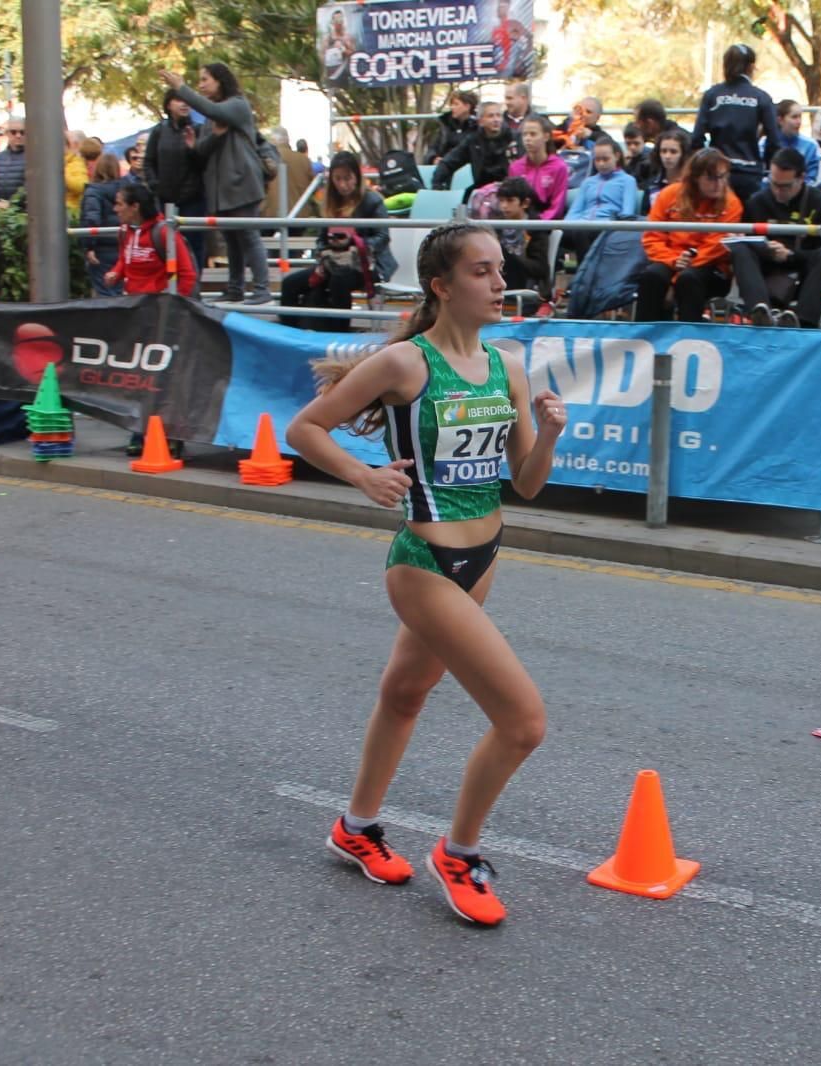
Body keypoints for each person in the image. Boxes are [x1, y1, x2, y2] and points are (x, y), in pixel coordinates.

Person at [285, 222, 567, 927]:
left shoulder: (508, 366)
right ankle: (461, 853)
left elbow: (526, 485)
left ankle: (355, 827)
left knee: (406, 694)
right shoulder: (407, 364)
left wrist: (552, 433)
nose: (500, 283)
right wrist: (361, 473)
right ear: (441, 286)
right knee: (523, 722)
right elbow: (305, 429)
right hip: (423, 563)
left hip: (485, 557)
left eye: (501, 269)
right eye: (481, 271)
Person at [163, 62, 274, 304]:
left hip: (241, 183)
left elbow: (213, 111)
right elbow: (203, 150)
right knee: (232, 239)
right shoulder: (212, 118)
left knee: (248, 235)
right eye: (199, 81)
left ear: (220, 80)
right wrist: (206, 140)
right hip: (221, 189)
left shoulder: (237, 106)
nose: (201, 85)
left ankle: (262, 288)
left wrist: (181, 89)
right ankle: (235, 287)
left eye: (205, 80)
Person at [105, 183, 199, 459]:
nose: (115, 208)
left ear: (135, 207)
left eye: (120, 203)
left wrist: (174, 309)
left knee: (165, 378)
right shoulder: (125, 233)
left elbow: (187, 274)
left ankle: (172, 435)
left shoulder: (163, 233)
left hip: (161, 316)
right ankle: (139, 431)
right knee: (139, 378)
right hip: (136, 314)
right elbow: (125, 260)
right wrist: (115, 273)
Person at [280, 151, 394, 330]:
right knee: (290, 284)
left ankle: (341, 332)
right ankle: (288, 334)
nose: (343, 185)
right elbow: (321, 239)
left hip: (367, 264)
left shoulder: (372, 201)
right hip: (333, 262)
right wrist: (324, 256)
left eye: (347, 178)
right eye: (338, 179)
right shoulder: (330, 202)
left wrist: (356, 243)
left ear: (357, 176)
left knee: (338, 281)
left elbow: (383, 237)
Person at [636, 148, 741, 322]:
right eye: (711, 178)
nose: (719, 184)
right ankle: (644, 337)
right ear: (695, 178)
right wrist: (673, 261)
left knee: (688, 279)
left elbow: (716, 245)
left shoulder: (732, 203)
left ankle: (689, 339)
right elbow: (652, 237)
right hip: (671, 260)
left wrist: (674, 281)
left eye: (723, 177)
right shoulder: (669, 194)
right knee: (651, 276)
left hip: (711, 267)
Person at [732, 148, 821, 329]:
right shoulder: (757, 201)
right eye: (773, 184)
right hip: (766, 264)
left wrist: (791, 255)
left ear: (801, 178)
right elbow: (747, 239)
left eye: (785, 186)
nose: (778, 191)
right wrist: (764, 249)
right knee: (740, 248)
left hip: (802, 264)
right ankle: (759, 313)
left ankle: (804, 322)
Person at [691, 44, 780, 202]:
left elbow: (697, 137)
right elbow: (774, 140)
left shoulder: (712, 95)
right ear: (751, 67)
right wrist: (765, 165)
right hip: (750, 173)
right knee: (746, 223)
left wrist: (704, 166)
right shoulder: (761, 98)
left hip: (716, 173)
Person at [143, 89, 208, 270]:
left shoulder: (197, 129)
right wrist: (155, 185)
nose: (184, 104)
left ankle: (193, 288)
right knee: (165, 245)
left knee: (193, 246)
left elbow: (204, 164)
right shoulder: (159, 131)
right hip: (165, 199)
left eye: (187, 100)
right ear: (169, 104)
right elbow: (148, 162)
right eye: (179, 100)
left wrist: (193, 149)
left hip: (193, 199)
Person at [562, 139, 639, 263]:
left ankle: (583, 274)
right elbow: (575, 210)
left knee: (581, 232)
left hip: (607, 227)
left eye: (605, 159)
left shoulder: (628, 181)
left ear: (617, 156)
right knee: (554, 233)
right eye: (597, 160)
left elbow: (627, 213)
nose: (601, 164)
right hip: (582, 225)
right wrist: (563, 227)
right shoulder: (588, 182)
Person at [433, 102, 517, 193]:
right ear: (480, 121)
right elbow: (448, 162)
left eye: (498, 116)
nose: (496, 120)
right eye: (490, 116)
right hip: (481, 190)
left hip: (509, 190)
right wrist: (437, 185)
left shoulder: (514, 138)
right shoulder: (472, 141)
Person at [494, 176, 552, 301]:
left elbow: (540, 268)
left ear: (525, 203)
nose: (503, 206)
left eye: (509, 200)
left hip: (527, 284)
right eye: (501, 200)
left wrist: (511, 258)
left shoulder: (536, 228)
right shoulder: (496, 225)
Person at [80, 153, 129, 297]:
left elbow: (91, 219)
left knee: (106, 293)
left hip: (101, 249)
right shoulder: (127, 190)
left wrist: (89, 246)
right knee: (120, 291)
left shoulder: (93, 192)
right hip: (124, 245)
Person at [509, 115, 569, 220]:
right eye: (524, 135)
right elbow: (512, 202)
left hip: (545, 225)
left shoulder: (559, 167)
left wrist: (538, 222)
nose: (527, 139)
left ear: (546, 137)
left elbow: (557, 206)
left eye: (533, 134)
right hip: (519, 223)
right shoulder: (515, 167)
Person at [263, 126, 317, 218]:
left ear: (272, 141)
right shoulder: (304, 160)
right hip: (299, 216)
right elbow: (314, 188)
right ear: (288, 140)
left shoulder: (265, 160)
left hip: (270, 217)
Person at [641, 128, 691, 215]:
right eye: (663, 151)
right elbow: (645, 215)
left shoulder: (692, 184)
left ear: (683, 154)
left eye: (673, 152)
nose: (667, 156)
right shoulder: (652, 185)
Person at [770, 100, 821, 184]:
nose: (799, 122)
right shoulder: (765, 143)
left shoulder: (811, 145)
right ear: (780, 120)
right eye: (794, 117)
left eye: (800, 117)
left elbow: (811, 179)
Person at [429, 90, 480, 164]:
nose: (452, 107)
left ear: (467, 106)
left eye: (456, 104)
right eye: (452, 104)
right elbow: (433, 147)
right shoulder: (444, 123)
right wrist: (433, 159)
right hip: (445, 165)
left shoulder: (478, 125)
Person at [0, 115, 27, 208]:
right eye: (13, 132)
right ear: (7, 134)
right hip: (0, 211)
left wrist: (12, 204)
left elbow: (33, 188)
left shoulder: (34, 158)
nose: (18, 136)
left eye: (22, 132)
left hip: (23, 213)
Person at [492, 0, 535, 78]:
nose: (499, 9)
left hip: (512, 68)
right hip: (499, 70)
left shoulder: (513, 24)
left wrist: (522, 58)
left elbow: (530, 38)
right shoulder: (494, 29)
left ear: (507, 8)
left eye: (502, 6)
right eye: (499, 6)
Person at [63, 130, 90, 214]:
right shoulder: (65, 161)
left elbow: (81, 186)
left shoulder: (77, 162)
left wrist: (63, 174)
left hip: (71, 211)